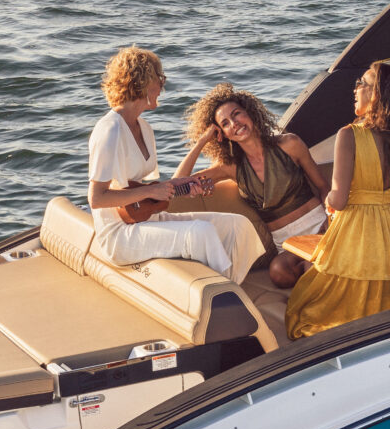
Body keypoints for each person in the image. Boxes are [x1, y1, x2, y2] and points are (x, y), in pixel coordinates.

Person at [284, 60, 390, 339]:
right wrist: (387, 199)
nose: (355, 89)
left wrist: (330, 200)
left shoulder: (349, 135)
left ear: (377, 94)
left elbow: (339, 200)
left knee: (314, 310)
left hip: (357, 235)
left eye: (362, 83)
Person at [86, 47, 261, 281]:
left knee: (236, 225)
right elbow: (97, 198)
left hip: (145, 219)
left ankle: (228, 286)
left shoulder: (144, 128)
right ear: (144, 82)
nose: (162, 86)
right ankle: (222, 294)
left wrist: (185, 186)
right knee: (202, 232)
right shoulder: (109, 129)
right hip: (119, 235)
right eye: (160, 79)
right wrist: (150, 191)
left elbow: (146, 190)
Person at [173, 84, 329, 287]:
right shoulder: (230, 167)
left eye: (237, 114)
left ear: (250, 113)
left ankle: (319, 269)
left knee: (312, 268)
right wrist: (203, 140)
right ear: (223, 134)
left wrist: (332, 220)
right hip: (286, 243)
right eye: (225, 123)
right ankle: (319, 269)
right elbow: (177, 184)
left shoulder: (289, 144)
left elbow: (323, 186)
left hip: (319, 227)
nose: (235, 123)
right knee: (278, 273)